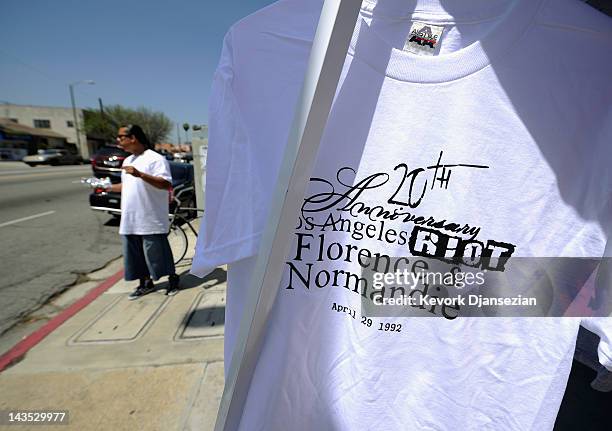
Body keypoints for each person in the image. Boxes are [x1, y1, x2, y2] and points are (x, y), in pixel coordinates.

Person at [108, 124, 180, 299]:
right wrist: (107, 187)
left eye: (121, 137)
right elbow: (128, 185)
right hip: (131, 217)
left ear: (133, 138)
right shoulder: (127, 161)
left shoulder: (154, 159)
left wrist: (140, 174)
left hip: (150, 216)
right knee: (136, 256)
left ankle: (173, 279)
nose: (118, 140)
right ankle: (145, 283)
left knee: (157, 253)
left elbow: (166, 184)